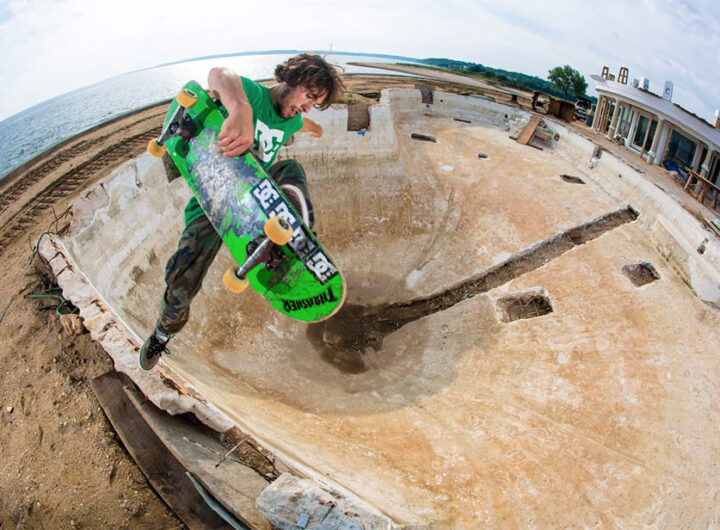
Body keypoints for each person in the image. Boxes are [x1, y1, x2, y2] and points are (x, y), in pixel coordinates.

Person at [139, 53, 345, 370]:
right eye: (309, 97)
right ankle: (161, 336)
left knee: (290, 167)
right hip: (213, 202)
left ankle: (294, 231)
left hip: (257, 201)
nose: (306, 107)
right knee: (182, 279)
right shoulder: (251, 94)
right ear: (294, 78)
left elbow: (301, 122)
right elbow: (219, 74)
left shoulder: (292, 118)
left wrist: (315, 127)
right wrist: (239, 109)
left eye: (314, 104)